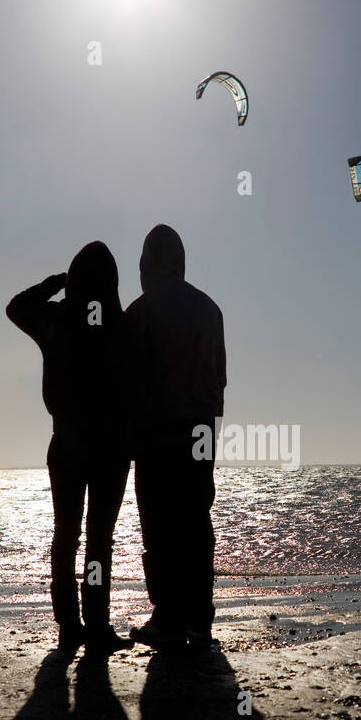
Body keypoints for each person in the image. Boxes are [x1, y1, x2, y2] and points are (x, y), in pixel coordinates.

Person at [6, 242, 130, 656]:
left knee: (67, 535)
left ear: (73, 279)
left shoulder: (56, 318)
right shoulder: (122, 324)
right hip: (112, 444)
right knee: (99, 540)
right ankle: (95, 623)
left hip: (69, 440)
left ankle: (68, 624)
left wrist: (55, 283)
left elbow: (16, 307)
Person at [125, 225, 226, 648]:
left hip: (155, 432)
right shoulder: (209, 309)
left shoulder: (139, 312)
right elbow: (218, 382)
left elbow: (126, 384)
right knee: (196, 521)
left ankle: (167, 615)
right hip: (199, 427)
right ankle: (200, 618)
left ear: (148, 264)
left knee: (159, 525)